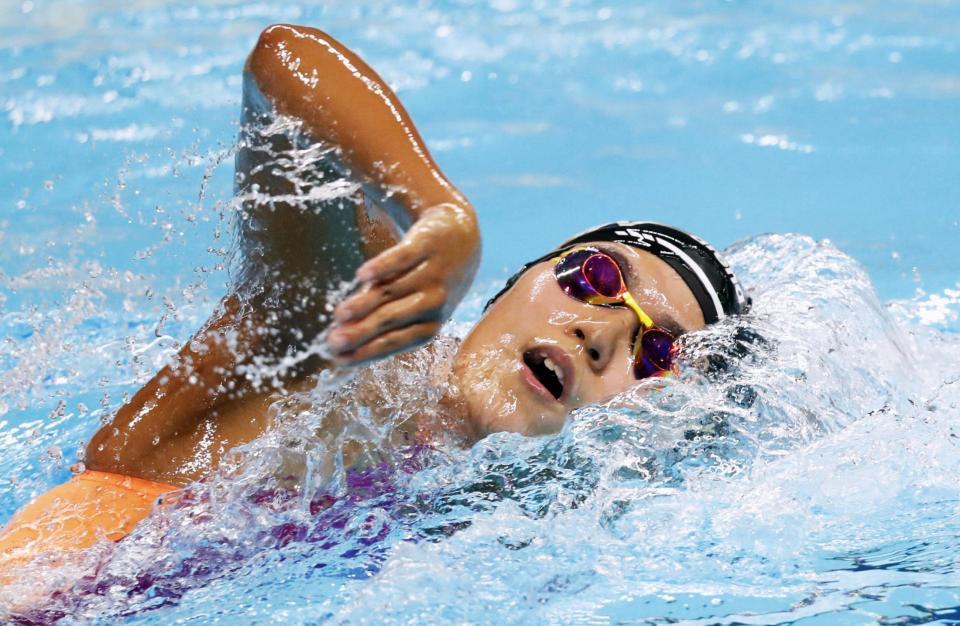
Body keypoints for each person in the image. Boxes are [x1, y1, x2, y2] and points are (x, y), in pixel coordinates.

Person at [0, 23, 748, 587]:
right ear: (519, 280)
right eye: (595, 277)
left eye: (657, 352)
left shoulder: (485, 510)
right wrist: (440, 212)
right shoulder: (350, 347)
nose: (599, 333)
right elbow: (283, 64)